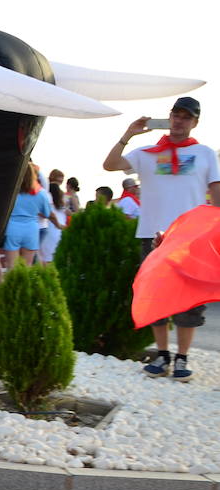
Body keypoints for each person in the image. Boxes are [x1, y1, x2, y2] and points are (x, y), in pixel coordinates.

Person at [104, 97, 220, 380]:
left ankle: (182, 358)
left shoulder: (205, 154)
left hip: (192, 239)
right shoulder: (147, 153)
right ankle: (163, 355)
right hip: (153, 234)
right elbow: (110, 165)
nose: (179, 121)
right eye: (176, 115)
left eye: (186, 117)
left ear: (195, 122)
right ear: (169, 118)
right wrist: (129, 134)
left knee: (189, 298)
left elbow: (216, 195)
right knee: (155, 293)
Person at [2, 163, 57, 266]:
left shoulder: (10, 191)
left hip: (13, 229)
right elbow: (48, 213)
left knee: (12, 269)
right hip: (31, 231)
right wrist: (58, 224)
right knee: (27, 268)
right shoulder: (40, 193)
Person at [38, 183, 69, 263]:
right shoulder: (62, 207)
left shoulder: (47, 206)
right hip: (59, 235)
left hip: (49, 234)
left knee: (45, 260)